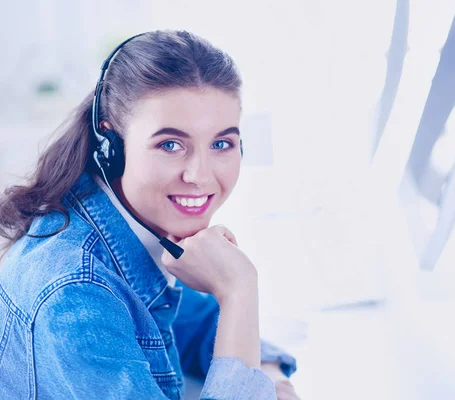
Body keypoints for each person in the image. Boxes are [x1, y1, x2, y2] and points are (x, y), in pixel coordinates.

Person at [0, 30, 299, 400]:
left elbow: (195, 323)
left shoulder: (119, 220)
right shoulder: (77, 293)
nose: (201, 175)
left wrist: (272, 378)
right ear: (112, 146)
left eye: (222, 143)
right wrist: (239, 291)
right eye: (170, 145)